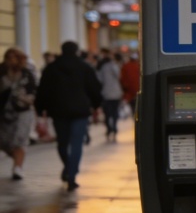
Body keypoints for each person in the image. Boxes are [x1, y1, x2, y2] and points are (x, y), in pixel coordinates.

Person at [35, 41, 102, 191]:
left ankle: (68, 167)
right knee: (77, 144)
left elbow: (43, 90)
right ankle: (72, 174)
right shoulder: (85, 67)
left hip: (58, 111)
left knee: (62, 143)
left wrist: (40, 108)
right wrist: (96, 104)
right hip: (80, 110)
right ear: (77, 50)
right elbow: (95, 88)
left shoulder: (51, 68)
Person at [0, 47, 37, 180]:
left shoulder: (27, 73)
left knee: (20, 140)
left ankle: (18, 168)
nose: (11, 61)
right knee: (3, 141)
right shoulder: (2, 71)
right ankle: (16, 158)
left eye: (13, 57)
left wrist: (27, 99)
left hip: (23, 111)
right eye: (8, 57)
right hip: (4, 112)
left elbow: (33, 91)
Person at [97, 49, 122, 142]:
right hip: (116, 93)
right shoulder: (115, 66)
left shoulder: (102, 68)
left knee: (107, 113)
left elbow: (100, 80)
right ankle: (114, 128)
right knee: (115, 112)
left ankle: (109, 129)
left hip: (106, 93)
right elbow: (119, 76)